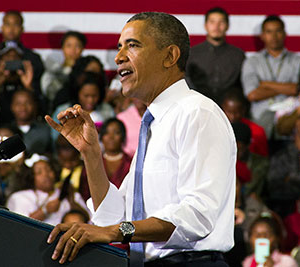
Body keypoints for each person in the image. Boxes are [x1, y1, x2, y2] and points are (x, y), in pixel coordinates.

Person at [45, 12, 236, 266]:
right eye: (119, 47)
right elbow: (116, 216)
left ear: (169, 56)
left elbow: (197, 215)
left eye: (132, 45)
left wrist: (114, 231)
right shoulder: (155, 123)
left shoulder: (196, 113)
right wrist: (91, 153)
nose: (118, 56)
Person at [241, 15, 300, 137]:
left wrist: (265, 84)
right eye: (269, 32)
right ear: (262, 35)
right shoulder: (252, 61)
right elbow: (252, 94)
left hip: (291, 120)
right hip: (260, 120)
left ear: (285, 33)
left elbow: (299, 89)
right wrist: (287, 88)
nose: (274, 36)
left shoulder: (298, 61)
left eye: (278, 31)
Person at [0, 10, 44, 107]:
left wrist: (28, 86)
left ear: (22, 28)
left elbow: (40, 98)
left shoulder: (33, 59)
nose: (11, 29)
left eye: (16, 25)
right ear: (2, 27)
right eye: (8, 24)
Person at [6, 154, 88, 226]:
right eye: (39, 172)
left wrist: (71, 200)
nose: (46, 175)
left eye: (49, 170)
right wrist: (45, 210)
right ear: (31, 177)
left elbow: (89, 220)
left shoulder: (69, 193)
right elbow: (21, 224)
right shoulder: (20, 197)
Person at [185, 7, 245, 104]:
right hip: (197, 105)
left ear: (227, 26)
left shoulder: (238, 55)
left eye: (221, 22)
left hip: (229, 110)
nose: (216, 27)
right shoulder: (192, 54)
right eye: (212, 22)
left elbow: (243, 86)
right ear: (205, 25)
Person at [51, 71, 114, 143]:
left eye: (94, 96)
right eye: (86, 96)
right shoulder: (63, 111)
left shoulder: (107, 110)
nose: (90, 100)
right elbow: (56, 140)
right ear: (77, 94)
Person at [41, 31, 87, 102]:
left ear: (82, 48)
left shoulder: (88, 70)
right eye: (69, 45)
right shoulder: (52, 71)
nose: (73, 50)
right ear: (62, 48)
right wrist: (67, 69)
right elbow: (50, 94)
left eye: (77, 46)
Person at [221, 89, 268, 157]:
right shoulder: (216, 128)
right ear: (222, 109)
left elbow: (262, 159)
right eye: (229, 112)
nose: (233, 116)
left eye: (237, 112)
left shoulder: (257, 132)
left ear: (243, 110)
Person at [231, 122, 269, 199]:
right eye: (234, 149)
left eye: (240, 149)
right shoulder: (225, 161)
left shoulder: (260, 163)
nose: (237, 153)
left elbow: (248, 189)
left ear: (248, 145)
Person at [9, 89, 52, 155]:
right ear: (12, 106)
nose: (23, 108)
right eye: (18, 103)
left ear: (34, 105)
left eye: (27, 103)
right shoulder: (6, 130)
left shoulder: (45, 130)